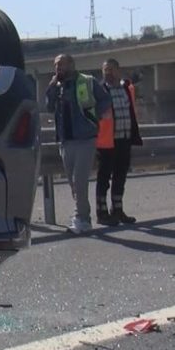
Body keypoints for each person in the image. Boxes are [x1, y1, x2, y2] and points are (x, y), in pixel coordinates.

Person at [46, 54, 112, 234]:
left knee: (79, 180)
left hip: (85, 138)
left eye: (61, 64)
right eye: (55, 65)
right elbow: (49, 107)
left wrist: (96, 115)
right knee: (73, 183)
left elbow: (105, 100)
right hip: (66, 140)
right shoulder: (57, 86)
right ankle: (82, 216)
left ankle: (82, 218)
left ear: (71, 65)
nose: (58, 68)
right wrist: (51, 87)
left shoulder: (86, 81)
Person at [95, 58, 143, 225]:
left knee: (120, 176)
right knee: (104, 177)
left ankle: (117, 210)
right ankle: (101, 213)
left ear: (118, 70)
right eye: (105, 70)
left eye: (111, 69)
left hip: (125, 139)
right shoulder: (99, 90)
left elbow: (131, 112)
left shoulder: (127, 88)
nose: (108, 73)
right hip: (106, 141)